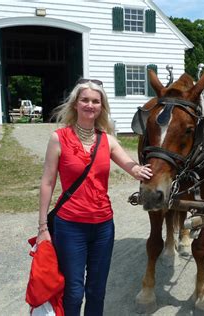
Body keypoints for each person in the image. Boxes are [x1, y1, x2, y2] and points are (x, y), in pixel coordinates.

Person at [35, 78, 153, 316]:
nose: (90, 105)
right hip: (70, 226)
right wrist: (42, 227)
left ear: (102, 106)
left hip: (103, 227)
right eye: (85, 100)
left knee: (97, 290)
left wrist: (142, 170)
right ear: (76, 104)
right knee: (74, 291)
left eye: (95, 101)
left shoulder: (107, 140)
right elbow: (47, 182)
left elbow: (131, 166)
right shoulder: (59, 138)